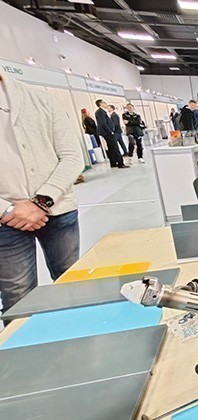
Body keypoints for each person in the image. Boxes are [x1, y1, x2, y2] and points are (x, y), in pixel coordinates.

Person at [0, 70, 84, 316]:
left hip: (57, 209)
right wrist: (6, 209)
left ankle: (80, 330)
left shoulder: (40, 98)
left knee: (72, 280)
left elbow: (71, 156)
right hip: (5, 221)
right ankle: (23, 340)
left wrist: (41, 201)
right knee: (18, 296)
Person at [95, 99, 127, 169]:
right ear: (100, 104)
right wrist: (110, 131)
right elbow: (103, 123)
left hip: (107, 132)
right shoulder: (100, 112)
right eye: (104, 102)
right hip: (107, 133)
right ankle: (120, 163)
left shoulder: (102, 112)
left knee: (111, 147)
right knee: (115, 147)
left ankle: (113, 163)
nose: (105, 104)